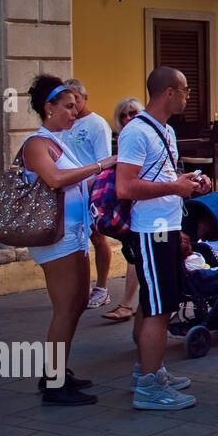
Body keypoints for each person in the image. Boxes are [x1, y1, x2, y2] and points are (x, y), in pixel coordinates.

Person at [116, 66, 211, 410]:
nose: (188, 96)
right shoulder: (136, 132)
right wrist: (174, 186)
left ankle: (149, 370)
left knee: (155, 301)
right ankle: (148, 388)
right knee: (159, 307)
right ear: (168, 92)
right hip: (151, 230)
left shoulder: (165, 131)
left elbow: (160, 176)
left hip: (168, 226)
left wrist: (188, 181)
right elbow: (125, 186)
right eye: (185, 90)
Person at [20, 76, 118, 405]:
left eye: (76, 106)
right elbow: (57, 179)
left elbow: (81, 182)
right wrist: (102, 164)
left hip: (76, 233)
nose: (74, 113)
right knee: (65, 308)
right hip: (56, 237)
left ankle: (58, 370)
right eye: (68, 107)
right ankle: (53, 383)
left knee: (77, 304)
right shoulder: (36, 144)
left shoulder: (60, 142)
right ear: (48, 108)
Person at [60, 79, 116, 312]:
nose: (73, 107)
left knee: (97, 237)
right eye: (69, 102)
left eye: (77, 100)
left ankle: (101, 288)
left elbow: (104, 160)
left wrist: (93, 188)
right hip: (68, 191)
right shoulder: (64, 123)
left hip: (90, 189)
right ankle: (76, 289)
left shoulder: (96, 124)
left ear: (85, 98)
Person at [100, 97, 144, 323]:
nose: (128, 118)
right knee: (133, 255)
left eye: (133, 113)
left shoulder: (140, 138)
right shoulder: (123, 140)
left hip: (140, 205)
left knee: (135, 255)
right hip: (127, 207)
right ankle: (132, 304)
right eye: (124, 115)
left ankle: (128, 305)